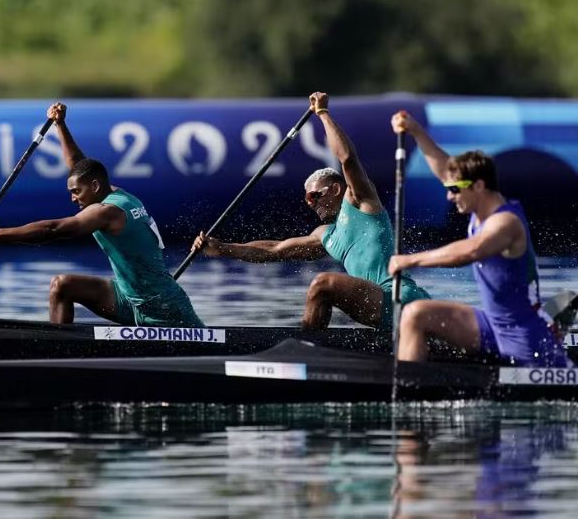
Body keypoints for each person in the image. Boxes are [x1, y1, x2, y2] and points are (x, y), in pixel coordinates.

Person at [192, 92, 429, 331]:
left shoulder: (360, 200)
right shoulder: (325, 235)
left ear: (335, 189)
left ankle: (305, 347)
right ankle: (316, 346)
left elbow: (347, 158)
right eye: (306, 199)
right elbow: (274, 250)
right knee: (322, 288)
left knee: (322, 284)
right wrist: (222, 248)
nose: (310, 203)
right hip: (379, 306)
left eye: (314, 196)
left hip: (400, 298)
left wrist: (323, 114)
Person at [0, 102, 204, 328]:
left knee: (63, 280)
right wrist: (60, 124)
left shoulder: (108, 212)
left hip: (163, 309)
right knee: (62, 286)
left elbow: (53, 229)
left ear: (95, 187)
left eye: (76, 192)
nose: (73, 198)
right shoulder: (112, 191)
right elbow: (80, 166)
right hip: (127, 299)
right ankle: (56, 352)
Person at [388, 112, 569, 367]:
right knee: (415, 314)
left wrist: (409, 260)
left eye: (454, 190)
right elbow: (444, 169)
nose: (450, 197)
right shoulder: (475, 203)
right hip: (492, 327)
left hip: (525, 337)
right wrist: (415, 129)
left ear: (479, 186)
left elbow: (471, 251)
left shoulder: (506, 223)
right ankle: (410, 385)